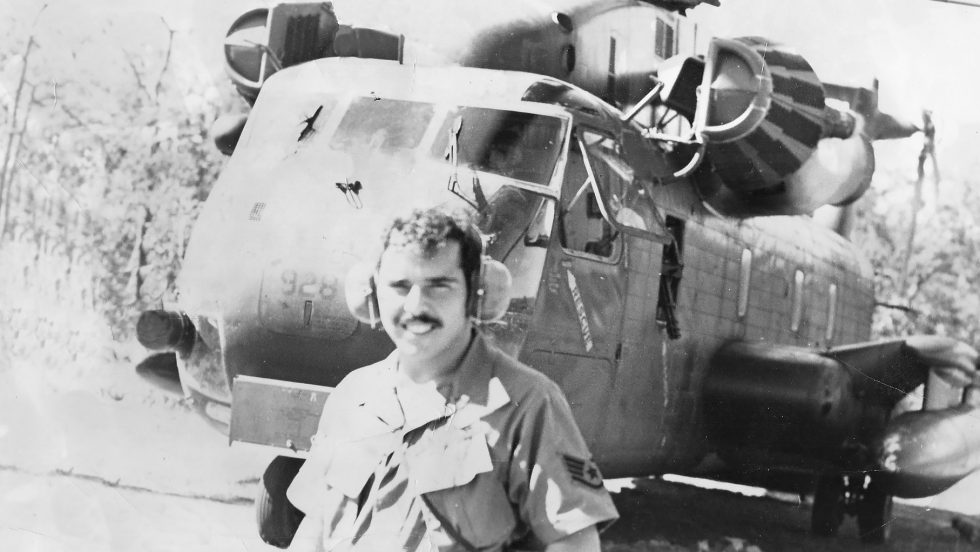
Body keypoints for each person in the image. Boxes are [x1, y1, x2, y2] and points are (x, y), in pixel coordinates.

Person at [287, 208, 618, 551]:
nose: (415, 305)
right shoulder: (355, 395)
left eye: (439, 286)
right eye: (399, 286)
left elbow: (575, 542)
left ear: (477, 292)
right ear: (371, 293)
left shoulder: (528, 403)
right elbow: (317, 523)